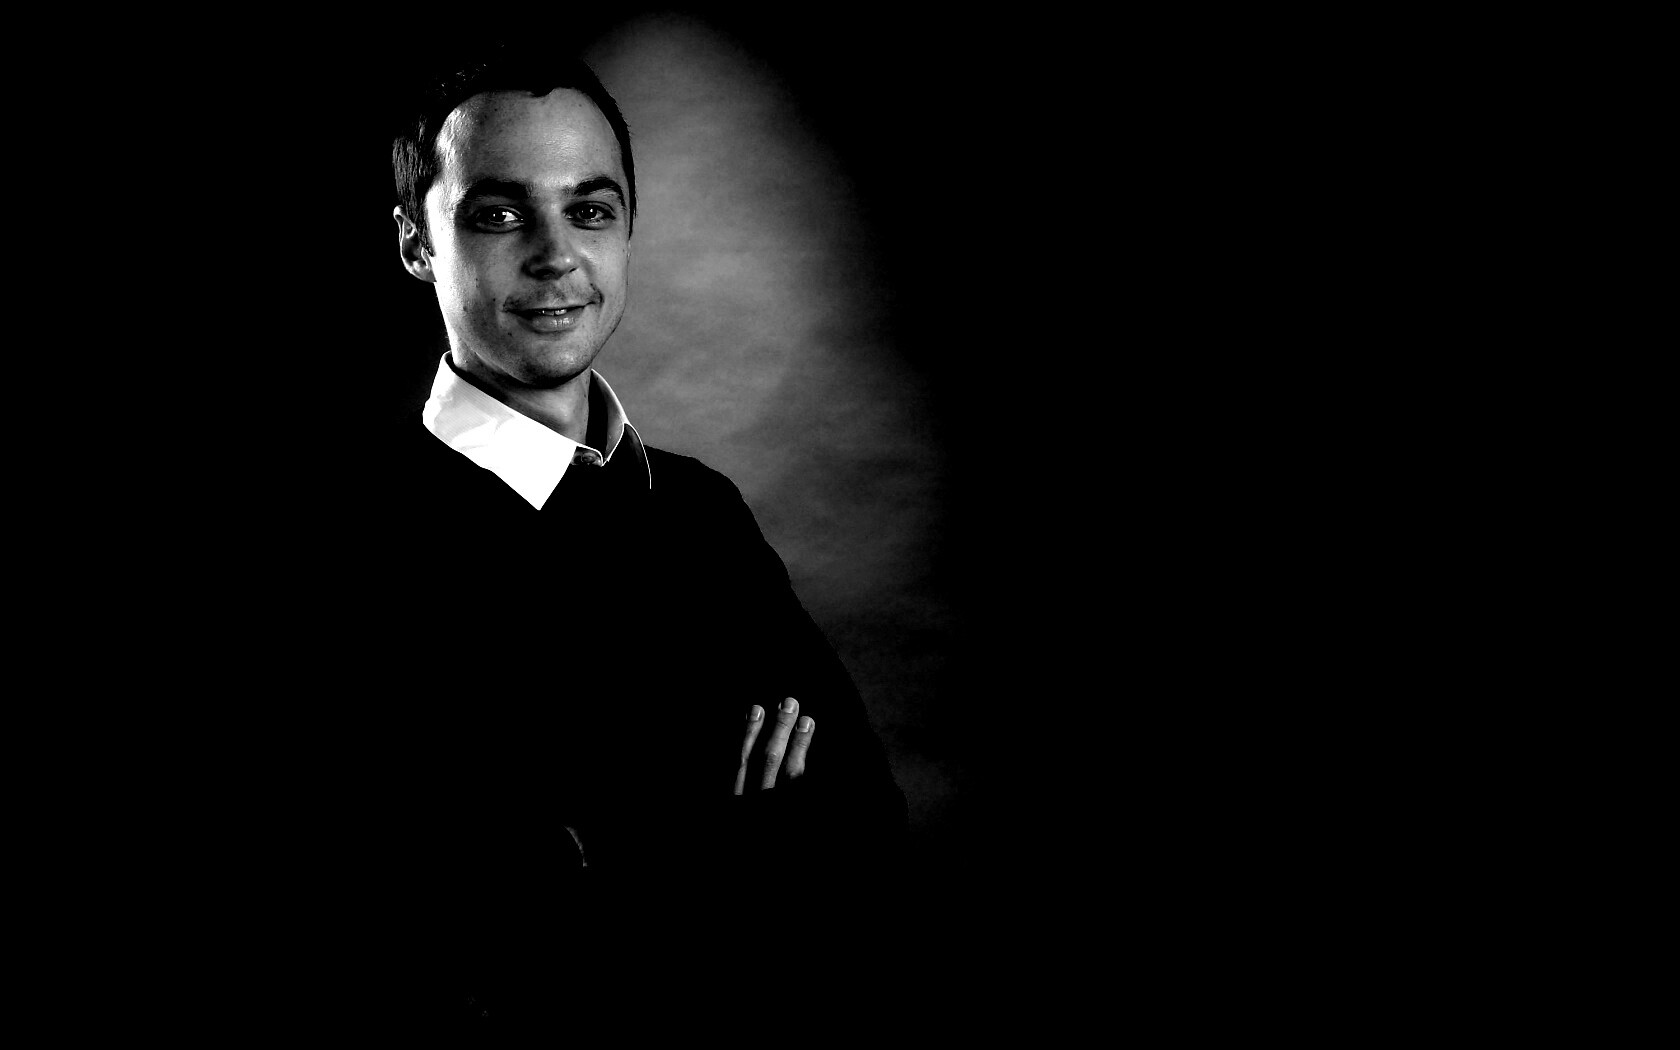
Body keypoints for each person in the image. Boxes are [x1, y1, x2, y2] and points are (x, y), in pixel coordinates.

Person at [313, 41, 904, 1014]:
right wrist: (722, 856)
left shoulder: (702, 513)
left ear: (626, 232)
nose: (556, 256)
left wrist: (609, 860)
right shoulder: (336, 541)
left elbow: (864, 834)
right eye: (500, 214)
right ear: (416, 243)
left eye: (589, 210)